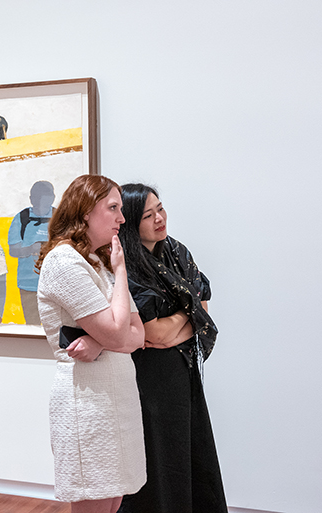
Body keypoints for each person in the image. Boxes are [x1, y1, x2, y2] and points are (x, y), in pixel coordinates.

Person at [36, 175, 146, 513]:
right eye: (112, 208)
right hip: (87, 401)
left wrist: (99, 342)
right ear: (85, 212)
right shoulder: (64, 262)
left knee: (112, 500)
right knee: (96, 502)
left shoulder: (94, 261)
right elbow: (118, 330)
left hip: (112, 397)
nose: (122, 219)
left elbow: (139, 332)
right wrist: (122, 269)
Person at [116, 183, 227, 513]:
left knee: (192, 452)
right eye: (149, 215)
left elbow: (200, 310)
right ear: (132, 223)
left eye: (161, 209)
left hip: (183, 370)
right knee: (159, 459)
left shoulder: (177, 252)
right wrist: (189, 315)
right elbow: (153, 333)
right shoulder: (127, 266)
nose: (160, 219)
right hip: (147, 377)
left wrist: (181, 321)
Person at [8, 180, 55, 324]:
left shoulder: (60, 217)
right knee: (32, 326)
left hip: (55, 284)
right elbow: (13, 251)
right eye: (37, 197)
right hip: (28, 285)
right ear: (31, 199)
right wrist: (30, 249)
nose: (41, 201)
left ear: (52, 198)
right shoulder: (21, 218)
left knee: (55, 327)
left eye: (45, 197)